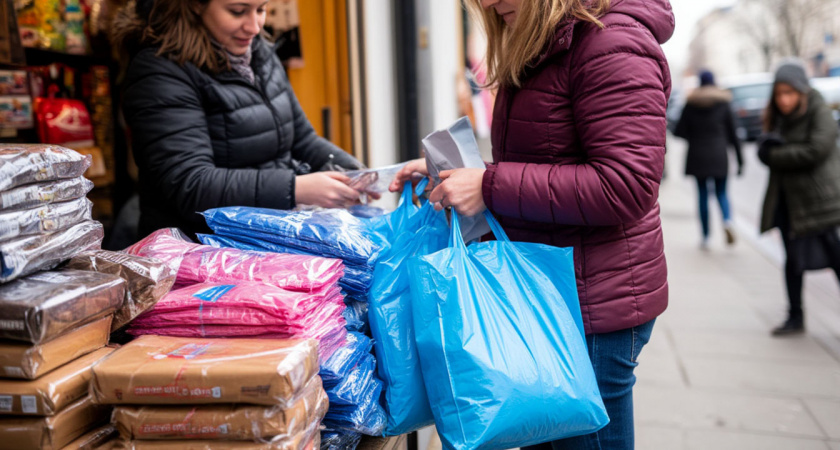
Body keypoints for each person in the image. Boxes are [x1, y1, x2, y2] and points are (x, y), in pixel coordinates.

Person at [391, 0, 673, 448]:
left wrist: (489, 184)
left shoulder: (611, 42)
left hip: (592, 305)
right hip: (558, 292)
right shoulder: (554, 40)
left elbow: (626, 185)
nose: (486, 2)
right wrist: (455, 176)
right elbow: (547, 159)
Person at [110, 0, 364, 238]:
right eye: (237, 11)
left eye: (261, 9)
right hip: (199, 250)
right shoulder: (159, 72)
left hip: (265, 236)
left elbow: (301, 138)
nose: (254, 27)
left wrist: (354, 172)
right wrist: (295, 188)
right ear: (196, 5)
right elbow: (190, 183)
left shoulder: (260, 53)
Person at [757, 62, 840, 336]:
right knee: (793, 261)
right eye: (779, 94)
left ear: (802, 91)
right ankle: (795, 317)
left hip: (819, 200)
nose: (784, 100)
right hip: (787, 201)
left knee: (836, 257)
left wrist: (776, 156)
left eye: (790, 93)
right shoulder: (777, 116)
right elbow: (766, 147)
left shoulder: (818, 109)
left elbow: (817, 149)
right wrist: (765, 152)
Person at [675, 70, 743, 250]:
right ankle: (727, 220)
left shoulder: (691, 103)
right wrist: (741, 160)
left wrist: (694, 135)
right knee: (722, 192)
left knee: (703, 195)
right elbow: (734, 134)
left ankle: (705, 237)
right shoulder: (723, 102)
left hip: (698, 155)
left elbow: (679, 131)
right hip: (719, 154)